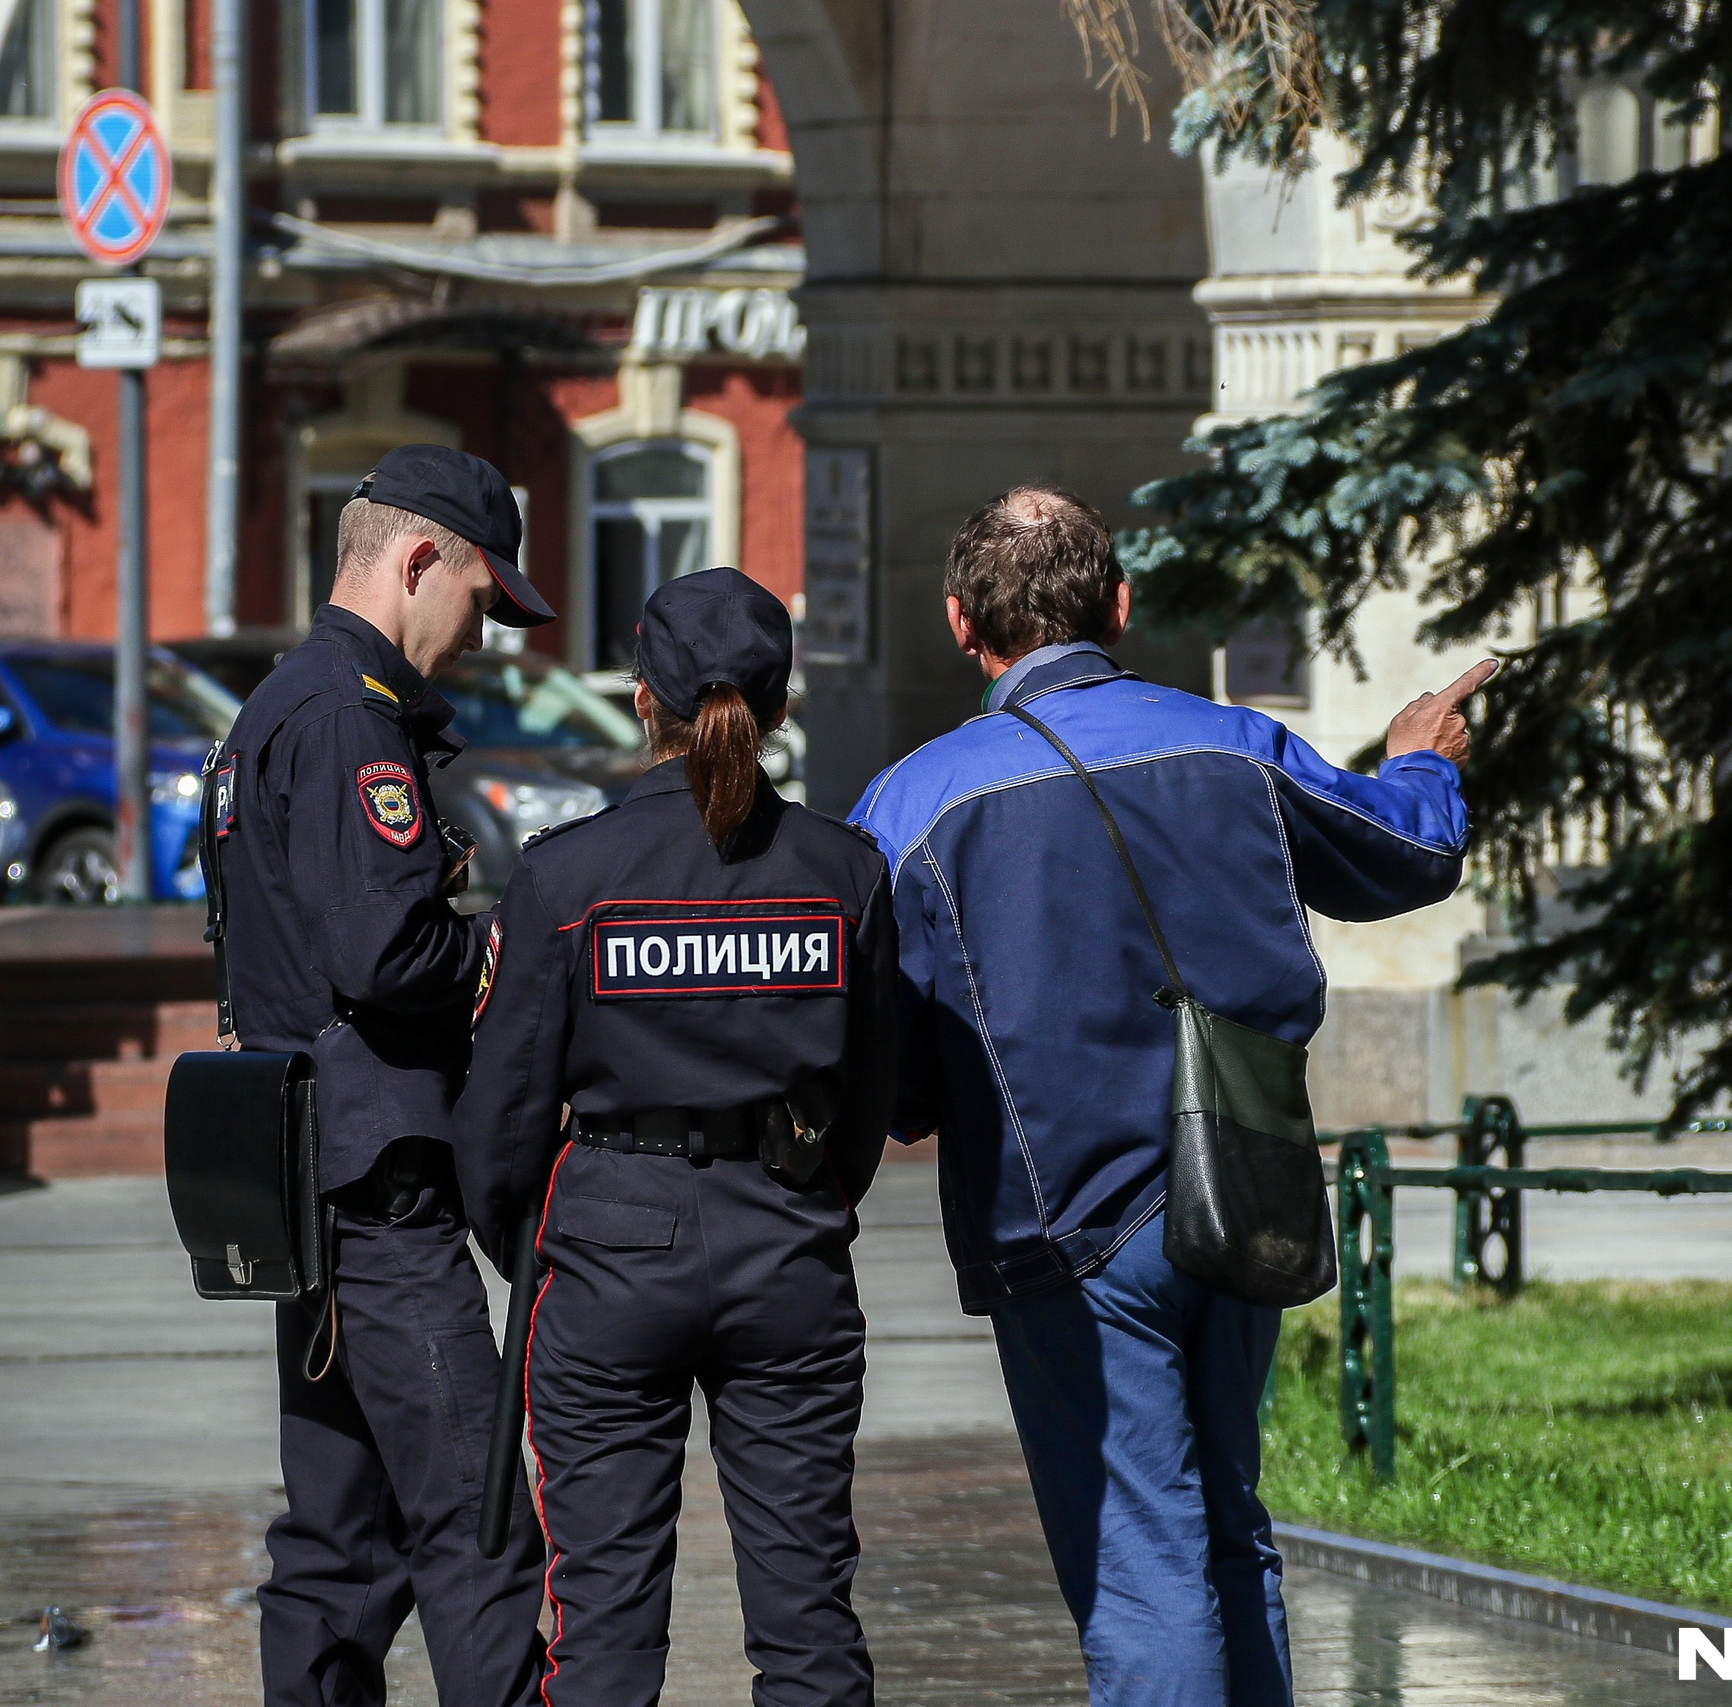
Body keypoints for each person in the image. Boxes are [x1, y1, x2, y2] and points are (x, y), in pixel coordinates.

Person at [848, 488, 1489, 1707]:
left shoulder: (908, 806)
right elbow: (1402, 854)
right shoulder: (1230, 744)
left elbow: (891, 1068)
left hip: (1064, 1225)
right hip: (1241, 1185)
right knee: (1226, 1519)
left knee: (1141, 1553)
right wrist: (1419, 761)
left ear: (958, 624)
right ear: (1120, 605)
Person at [453, 567, 897, 1707]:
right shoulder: (845, 874)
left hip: (609, 1245)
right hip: (786, 1241)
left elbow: (499, 1121)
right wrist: (806, 1197)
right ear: (780, 705)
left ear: (642, 698)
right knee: (807, 1623)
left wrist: (539, 1247)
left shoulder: (565, 874)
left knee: (600, 1627)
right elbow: (869, 1092)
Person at [213, 443, 560, 1707]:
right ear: (419, 561)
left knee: (338, 1545)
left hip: (311, 1179)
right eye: (479, 599)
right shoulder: (353, 713)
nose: (480, 637)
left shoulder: (280, 700)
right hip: (378, 1188)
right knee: (476, 1520)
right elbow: (386, 951)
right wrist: (507, 951)